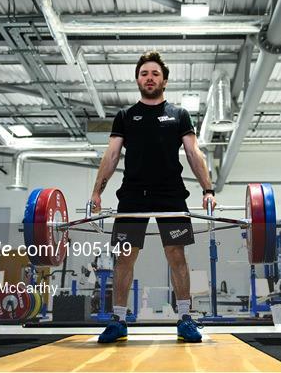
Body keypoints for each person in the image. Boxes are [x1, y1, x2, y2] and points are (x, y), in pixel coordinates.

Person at [90, 51, 217, 343]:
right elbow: (111, 155)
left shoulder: (178, 114)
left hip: (170, 194)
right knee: (123, 258)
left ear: (164, 80)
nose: (150, 78)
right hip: (132, 194)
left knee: (176, 255)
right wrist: (97, 191)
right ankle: (119, 320)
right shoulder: (125, 116)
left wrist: (208, 189)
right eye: (145, 73)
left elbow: (194, 154)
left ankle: (185, 318)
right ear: (138, 79)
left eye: (155, 74)